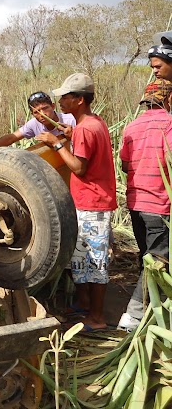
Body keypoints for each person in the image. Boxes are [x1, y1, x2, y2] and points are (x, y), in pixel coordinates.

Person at [36, 73, 117, 332]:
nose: (60, 101)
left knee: (95, 262)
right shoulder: (94, 123)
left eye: (66, 97)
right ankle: (84, 305)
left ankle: (97, 317)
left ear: (80, 100)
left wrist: (56, 143)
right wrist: (70, 135)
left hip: (92, 202)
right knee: (83, 258)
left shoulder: (85, 128)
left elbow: (78, 167)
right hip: (90, 200)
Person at [117, 79, 172, 332]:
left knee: (146, 257)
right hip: (160, 204)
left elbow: (125, 165)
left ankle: (152, 307)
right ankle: (133, 316)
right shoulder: (170, 124)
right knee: (158, 260)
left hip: (136, 204)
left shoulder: (132, 127)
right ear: (168, 99)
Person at [0, 91, 76, 148]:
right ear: (32, 114)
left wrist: (73, 136)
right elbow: (11, 138)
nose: (43, 114)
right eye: (37, 112)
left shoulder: (70, 120)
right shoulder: (33, 124)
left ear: (53, 106)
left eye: (45, 108)